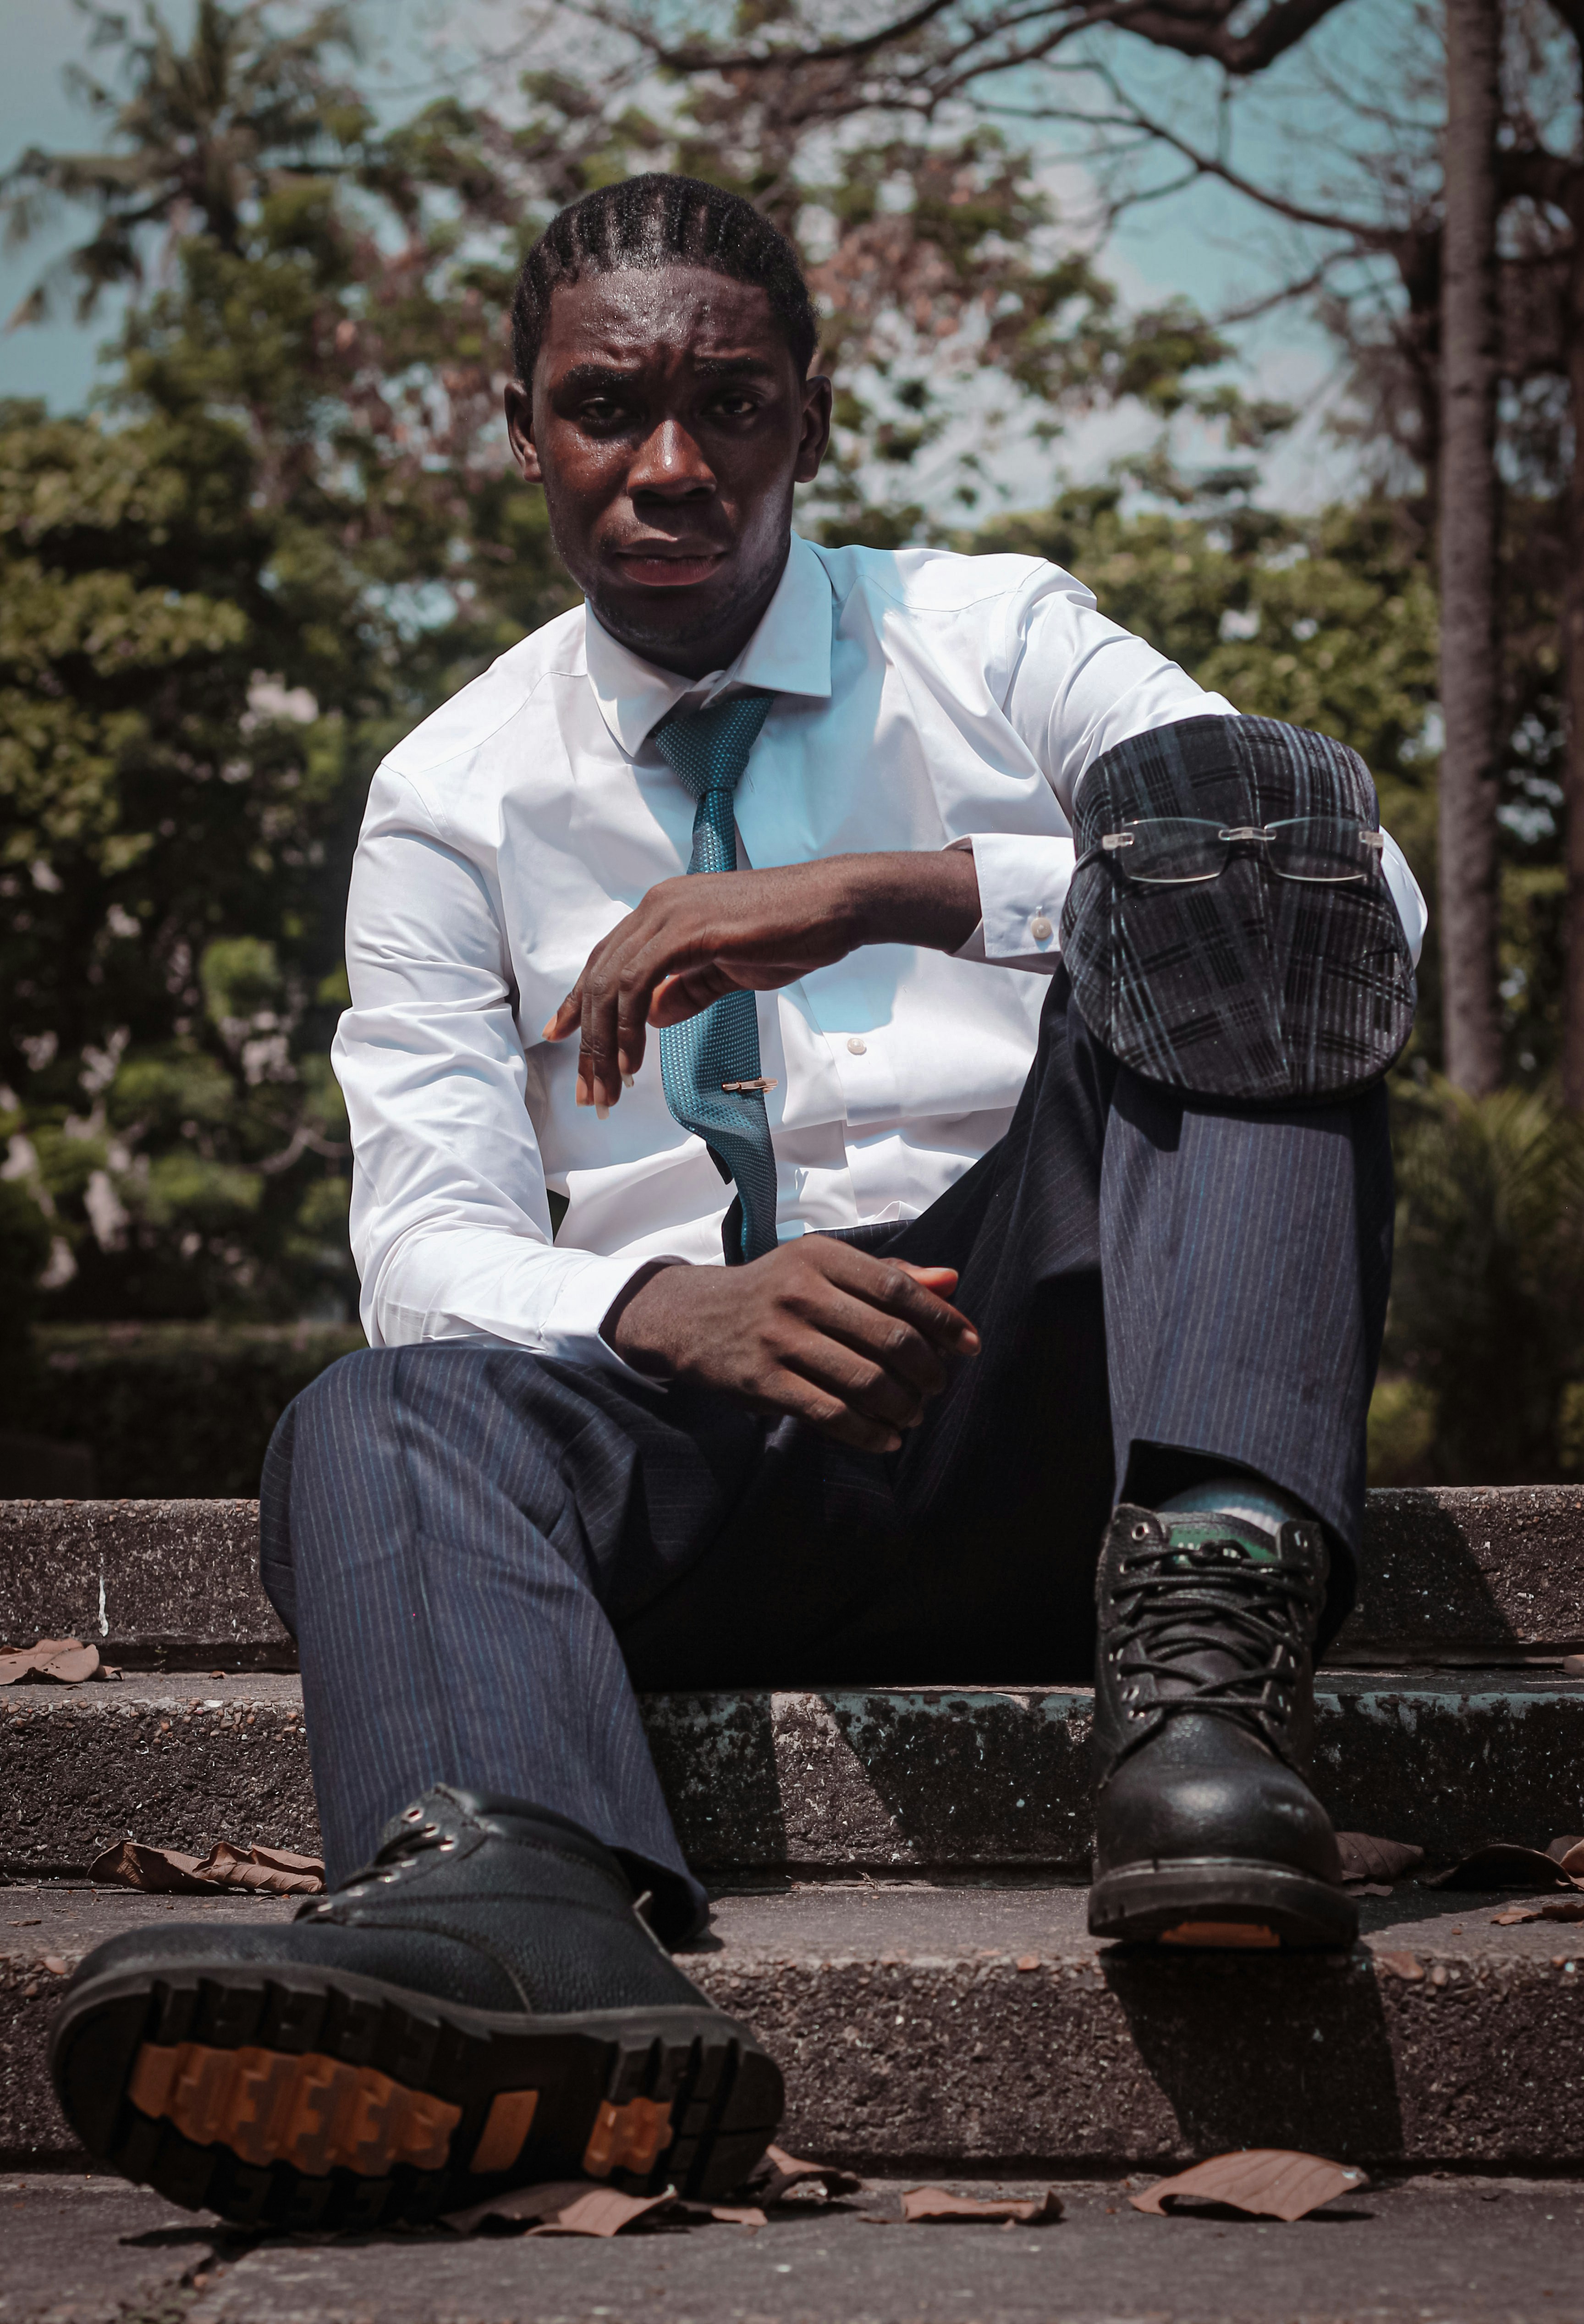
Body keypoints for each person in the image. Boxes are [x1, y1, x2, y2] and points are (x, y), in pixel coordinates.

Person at [51, 172, 1424, 2232]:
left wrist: (890, 890)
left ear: (814, 416)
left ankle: (1210, 1710)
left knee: (1230, 909)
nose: (670, 464)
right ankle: (511, 1904)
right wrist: (655, 1310)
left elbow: (1355, 903)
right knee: (369, 1408)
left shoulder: (989, 633)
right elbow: (421, 1235)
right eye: (608, 408)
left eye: (733, 403)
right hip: (712, 1460)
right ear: (520, 425)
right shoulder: (449, 791)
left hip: (1075, 1417)